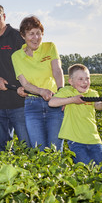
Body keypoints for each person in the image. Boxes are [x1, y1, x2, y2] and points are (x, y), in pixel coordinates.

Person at [11, 16, 64, 151]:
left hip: (54, 102)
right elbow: (25, 83)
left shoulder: (50, 47)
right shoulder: (16, 56)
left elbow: (57, 71)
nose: (36, 38)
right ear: (23, 36)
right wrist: (41, 91)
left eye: (38, 33)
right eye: (31, 34)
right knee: (38, 149)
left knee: (55, 149)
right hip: (32, 105)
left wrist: (61, 93)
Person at [0, 2, 31, 152]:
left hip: (21, 101)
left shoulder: (18, 36)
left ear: (4, 16)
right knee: (0, 148)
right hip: (0, 103)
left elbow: (31, 64)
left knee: (27, 145)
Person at [49, 64, 102, 165]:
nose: (85, 82)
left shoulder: (92, 93)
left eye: (87, 78)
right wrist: (72, 100)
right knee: (85, 168)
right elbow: (51, 102)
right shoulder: (67, 91)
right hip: (76, 141)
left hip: (94, 139)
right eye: (80, 79)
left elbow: (98, 106)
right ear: (71, 81)